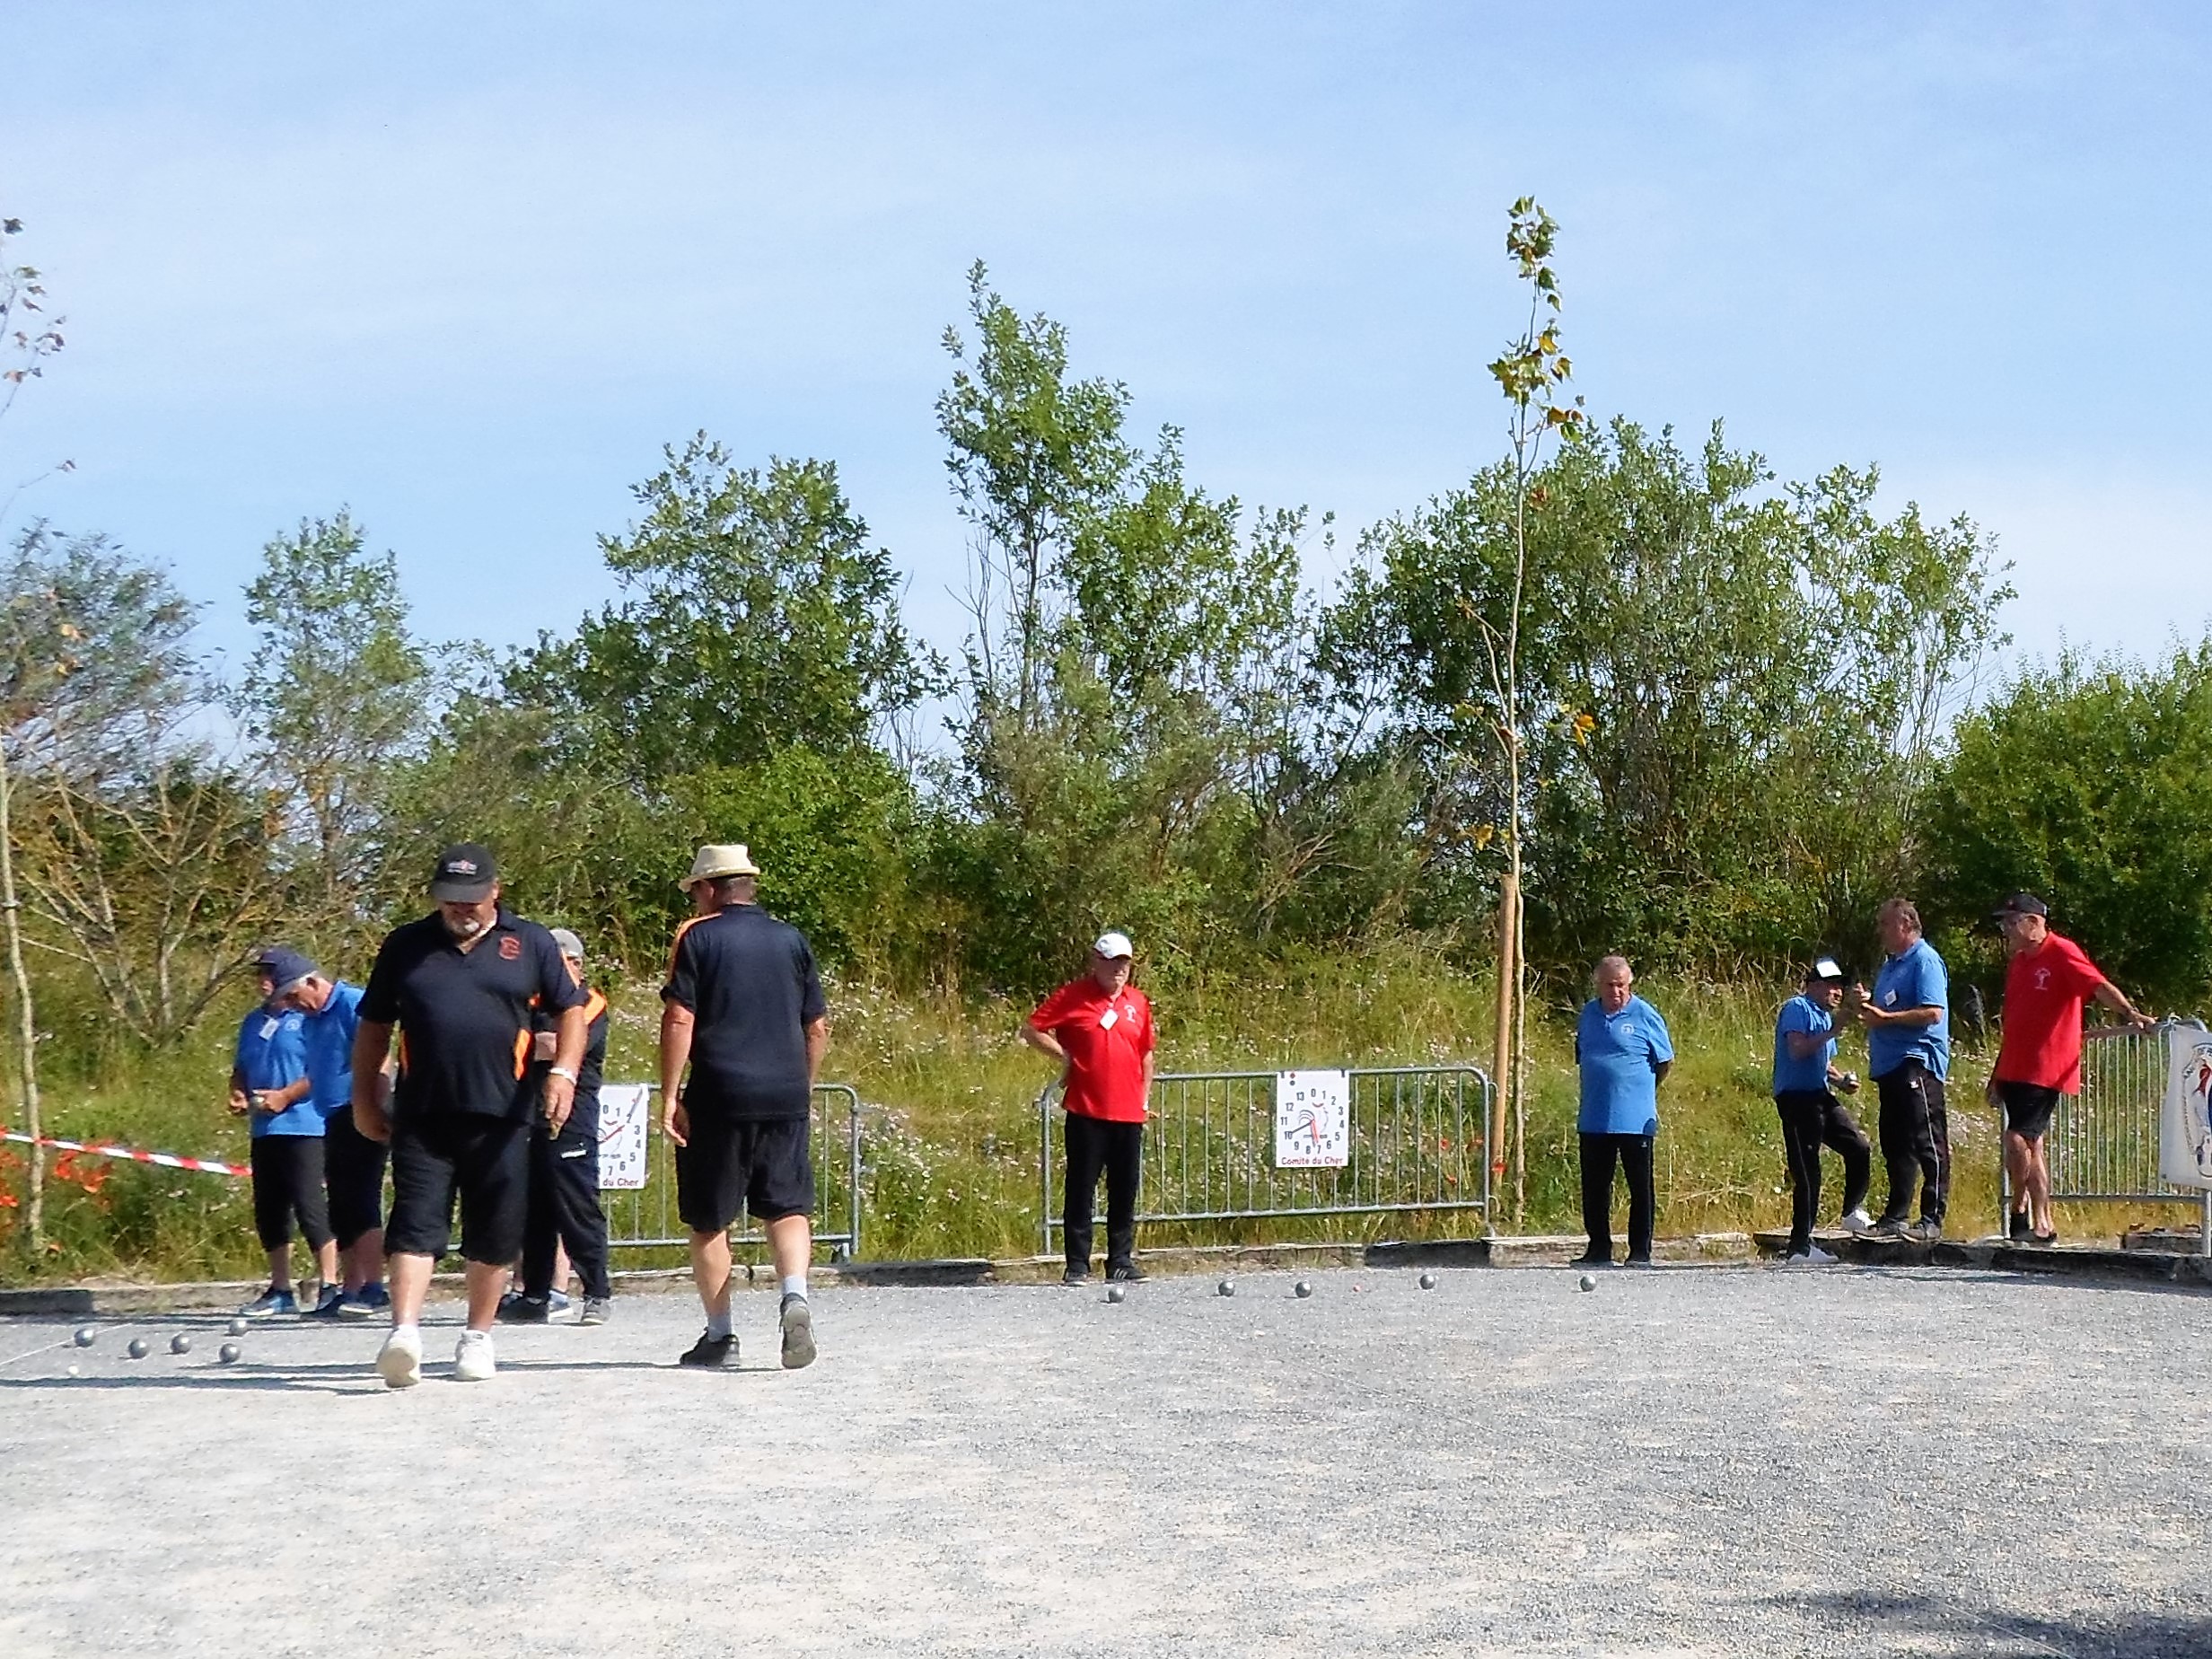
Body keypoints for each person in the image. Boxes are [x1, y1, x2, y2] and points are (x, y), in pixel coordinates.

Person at [351, 843, 586, 1388]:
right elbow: (375, 1027)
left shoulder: (529, 942)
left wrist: (563, 1074)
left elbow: (570, 1008)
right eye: (450, 900)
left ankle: (477, 1338)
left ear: (495, 892)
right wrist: (365, 1096)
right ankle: (403, 1333)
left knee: (495, 1232)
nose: (461, 909)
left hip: (504, 1114)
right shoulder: (406, 945)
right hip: (422, 1113)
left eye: (471, 900)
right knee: (413, 1223)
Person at [659, 845, 828, 1370]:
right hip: (785, 1093)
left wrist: (670, 1095)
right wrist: (803, 1084)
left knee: (710, 1220)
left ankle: (721, 1336)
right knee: (787, 1206)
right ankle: (794, 1296)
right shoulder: (790, 938)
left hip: (720, 1093)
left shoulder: (698, 937)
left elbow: (681, 1019)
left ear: (710, 889)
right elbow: (816, 1026)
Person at [1987, 892, 2154, 1245]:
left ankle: (2018, 1207)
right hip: (2015, 1065)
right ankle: (2043, 1223)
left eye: (2012, 922)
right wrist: (1996, 1072)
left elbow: (2098, 985)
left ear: (2034, 922)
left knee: (2017, 1139)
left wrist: (2129, 1013)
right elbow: (2014, 1021)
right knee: (2033, 1146)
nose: (2007, 930)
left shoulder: (2061, 951)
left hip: (2045, 1065)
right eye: (2004, 923)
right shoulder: (2019, 963)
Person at [262, 947, 391, 1319]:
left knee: (362, 1197)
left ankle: (373, 1285)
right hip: (330, 1114)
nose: (290, 1004)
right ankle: (348, 1287)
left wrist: (377, 1107)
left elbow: (381, 1055)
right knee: (341, 1204)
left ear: (313, 982)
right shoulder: (309, 1019)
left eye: (292, 995)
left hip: (361, 1107)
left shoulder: (353, 1002)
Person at [1023, 932, 1157, 1285]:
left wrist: (1145, 1097)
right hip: (1087, 1107)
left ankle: (1120, 1261)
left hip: (1128, 1111)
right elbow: (1033, 1028)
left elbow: (1146, 1054)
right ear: (1095, 961)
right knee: (1082, 1187)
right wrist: (1065, 1057)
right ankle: (1077, 1263)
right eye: (1112, 961)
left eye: (1124, 963)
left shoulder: (1137, 1002)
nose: (1118, 970)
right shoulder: (1073, 996)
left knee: (1124, 1189)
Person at [503, 926, 614, 1324]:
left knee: (576, 1206)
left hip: (572, 1119)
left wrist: (526, 1044)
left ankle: (596, 1291)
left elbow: (563, 1045)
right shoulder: (531, 1003)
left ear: (576, 965)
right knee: (532, 1210)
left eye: (557, 961)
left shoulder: (590, 1004)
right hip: (528, 1116)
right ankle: (534, 1294)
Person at [229, 964, 335, 1317]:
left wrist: (287, 1095)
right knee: (270, 1210)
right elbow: (241, 1066)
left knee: (310, 1206)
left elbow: (322, 1068)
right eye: (260, 977)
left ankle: (330, 1284)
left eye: (271, 978)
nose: (263, 984)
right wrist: (238, 1093)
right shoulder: (252, 1022)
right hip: (265, 1128)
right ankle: (280, 1288)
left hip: (306, 1125)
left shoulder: (308, 1019)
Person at [1856, 897, 1952, 1242]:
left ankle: (1932, 1218)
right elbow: (1887, 1011)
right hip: (1889, 1067)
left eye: (1886, 924)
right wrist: (1869, 1005)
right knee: (1895, 1143)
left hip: (1917, 1062)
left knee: (1927, 1137)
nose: (1880, 931)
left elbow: (1932, 1013)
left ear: (1906, 925)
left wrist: (1886, 1018)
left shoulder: (1924, 960)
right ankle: (1895, 1216)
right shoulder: (1891, 966)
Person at [1769, 957, 1874, 1264]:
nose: (1836, 992)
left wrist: (1840, 1080)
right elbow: (1798, 1049)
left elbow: (1822, 1062)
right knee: (1807, 1171)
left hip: (1820, 1094)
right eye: (1829, 986)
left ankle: (1851, 1211)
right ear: (1811, 985)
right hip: (1796, 1098)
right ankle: (1799, 1247)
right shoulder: (1797, 1009)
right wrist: (1834, 1030)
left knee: (1859, 1147)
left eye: (1839, 986)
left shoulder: (1826, 1018)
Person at [1573, 956, 1672, 1268]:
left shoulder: (1644, 1014)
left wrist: (1641, 1089)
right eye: (1609, 985)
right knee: (1595, 1187)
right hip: (1594, 1115)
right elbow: (1582, 1054)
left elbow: (1665, 1061)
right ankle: (1598, 1248)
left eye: (1621, 985)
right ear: (1598, 985)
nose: (1616, 992)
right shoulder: (1588, 1014)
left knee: (1639, 1187)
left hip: (1634, 1117)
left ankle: (1640, 1250)